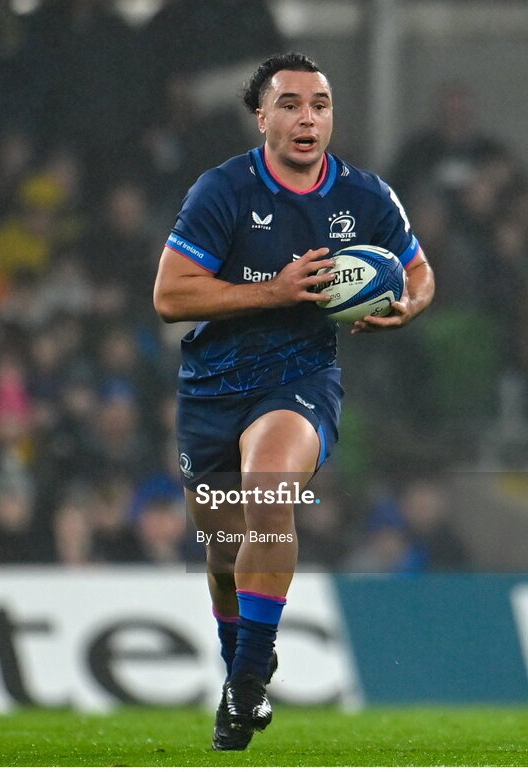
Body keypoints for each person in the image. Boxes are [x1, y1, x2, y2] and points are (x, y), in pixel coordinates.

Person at [152, 53, 434, 750]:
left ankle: (247, 686)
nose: (308, 117)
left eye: (321, 103)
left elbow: (420, 272)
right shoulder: (222, 191)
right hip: (213, 386)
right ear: (263, 116)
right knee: (221, 548)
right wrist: (271, 292)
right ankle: (238, 668)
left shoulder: (366, 198)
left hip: (299, 381)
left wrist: (407, 306)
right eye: (291, 104)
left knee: (269, 491)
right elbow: (170, 296)